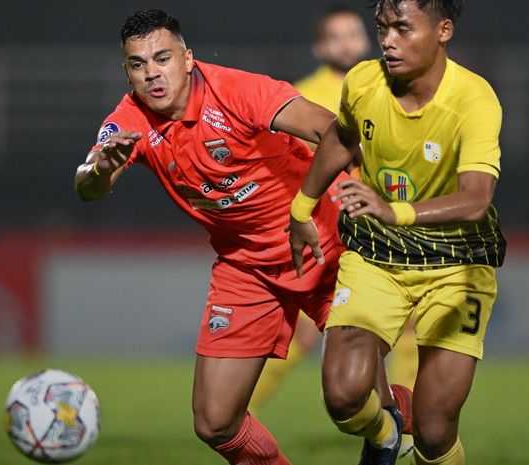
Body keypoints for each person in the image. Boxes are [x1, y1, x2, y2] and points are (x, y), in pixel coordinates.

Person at [73, 9, 344, 465]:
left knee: (348, 399)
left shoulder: (239, 90)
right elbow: (87, 187)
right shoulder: (129, 119)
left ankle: (405, 426)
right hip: (245, 266)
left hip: (321, 243)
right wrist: (101, 167)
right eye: (138, 65)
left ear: (188, 58)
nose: (152, 74)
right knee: (215, 421)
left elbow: (333, 130)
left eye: (162, 58)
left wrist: (319, 202)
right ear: (128, 73)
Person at [288, 1, 506, 465]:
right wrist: (302, 206)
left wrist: (395, 211)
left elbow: (477, 198)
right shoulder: (364, 81)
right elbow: (342, 137)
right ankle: (387, 432)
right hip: (376, 257)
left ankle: (414, 432)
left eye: (402, 28)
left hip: (457, 265)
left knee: (434, 429)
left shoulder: (474, 98)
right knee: (344, 396)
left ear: (443, 30)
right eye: (383, 28)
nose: (388, 39)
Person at [250, 8, 418, 456]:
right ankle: (241, 413)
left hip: (388, 225)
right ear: (320, 48)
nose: (346, 42)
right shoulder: (303, 97)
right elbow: (296, 171)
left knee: (408, 330)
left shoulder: (389, 85)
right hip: (331, 234)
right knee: (304, 335)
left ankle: (405, 422)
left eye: (353, 33)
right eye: (335, 37)